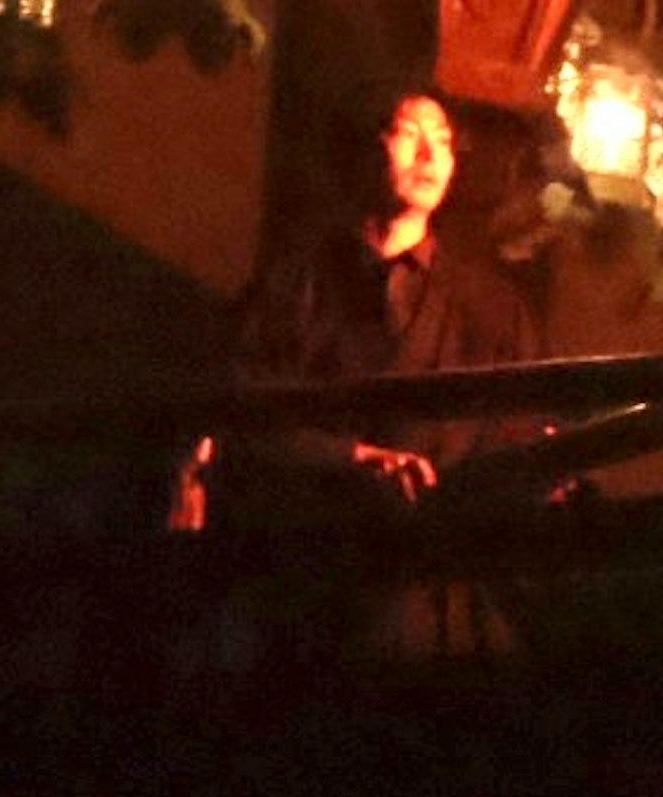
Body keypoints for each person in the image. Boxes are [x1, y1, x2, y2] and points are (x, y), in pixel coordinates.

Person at [215, 84, 544, 524]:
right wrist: (352, 457)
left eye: (443, 141)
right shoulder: (299, 279)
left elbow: (517, 433)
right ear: (369, 149)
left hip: (423, 559)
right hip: (301, 545)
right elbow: (241, 403)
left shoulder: (494, 308)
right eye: (409, 134)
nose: (429, 156)